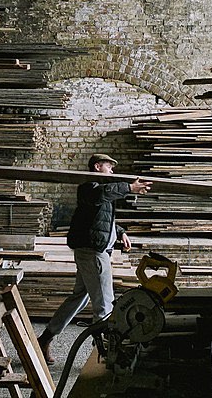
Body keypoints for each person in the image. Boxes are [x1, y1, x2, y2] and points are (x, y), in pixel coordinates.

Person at [37, 153, 151, 365]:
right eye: (110, 167)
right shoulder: (88, 187)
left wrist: (120, 231)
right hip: (93, 253)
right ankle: (107, 355)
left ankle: (45, 338)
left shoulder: (101, 191)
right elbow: (98, 197)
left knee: (78, 299)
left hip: (91, 251)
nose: (113, 172)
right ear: (98, 166)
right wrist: (128, 188)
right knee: (104, 306)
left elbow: (101, 218)